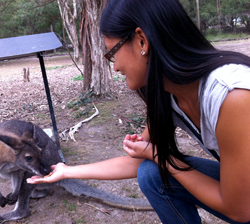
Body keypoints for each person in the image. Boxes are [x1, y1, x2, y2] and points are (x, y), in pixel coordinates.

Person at [27, 0, 250, 223]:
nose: (114, 67)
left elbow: (240, 209)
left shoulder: (232, 95)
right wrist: (66, 171)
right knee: (152, 175)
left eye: (112, 53)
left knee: (158, 168)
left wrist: (160, 156)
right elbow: (137, 160)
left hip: (242, 205)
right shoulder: (168, 94)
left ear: (142, 40)